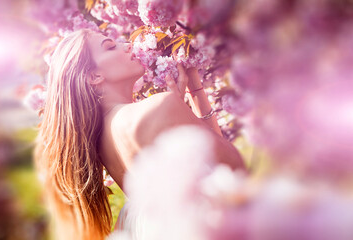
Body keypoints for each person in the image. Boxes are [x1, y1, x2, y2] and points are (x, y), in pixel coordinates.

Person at [33, 29, 245, 240]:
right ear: (94, 76)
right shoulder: (160, 107)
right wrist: (187, 97)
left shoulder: (101, 143)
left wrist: (187, 96)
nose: (127, 44)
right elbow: (233, 169)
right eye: (110, 46)